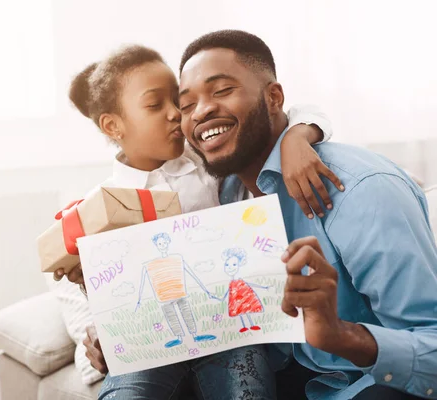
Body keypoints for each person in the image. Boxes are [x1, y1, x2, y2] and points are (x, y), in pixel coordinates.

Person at [58, 44, 343, 399]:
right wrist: (96, 320)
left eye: (177, 101)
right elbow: (97, 296)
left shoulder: (209, 158)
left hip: (230, 335)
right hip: (153, 347)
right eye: (154, 105)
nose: (176, 114)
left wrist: (298, 136)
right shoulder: (99, 205)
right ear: (113, 125)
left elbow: (299, 110)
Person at [174, 29, 436, 399]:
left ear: (273, 98)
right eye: (186, 106)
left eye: (221, 91)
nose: (201, 111)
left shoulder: (362, 190)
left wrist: (340, 335)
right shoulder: (221, 198)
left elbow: (432, 343)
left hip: (367, 385)